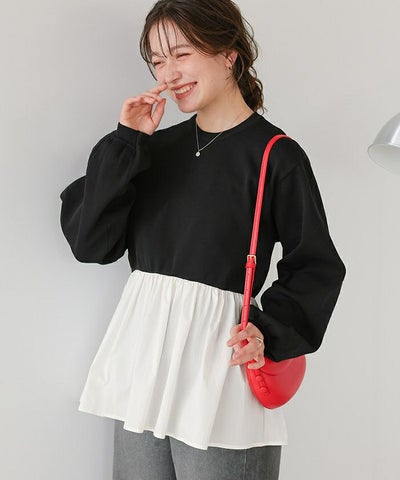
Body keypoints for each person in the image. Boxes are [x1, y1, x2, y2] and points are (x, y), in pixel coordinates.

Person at [59, 1, 346, 478]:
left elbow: (316, 263)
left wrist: (269, 331)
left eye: (182, 54)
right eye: (157, 60)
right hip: (142, 366)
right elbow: (92, 245)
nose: (168, 73)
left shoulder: (276, 155)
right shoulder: (154, 149)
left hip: (219, 371)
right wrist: (127, 141)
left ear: (228, 52)